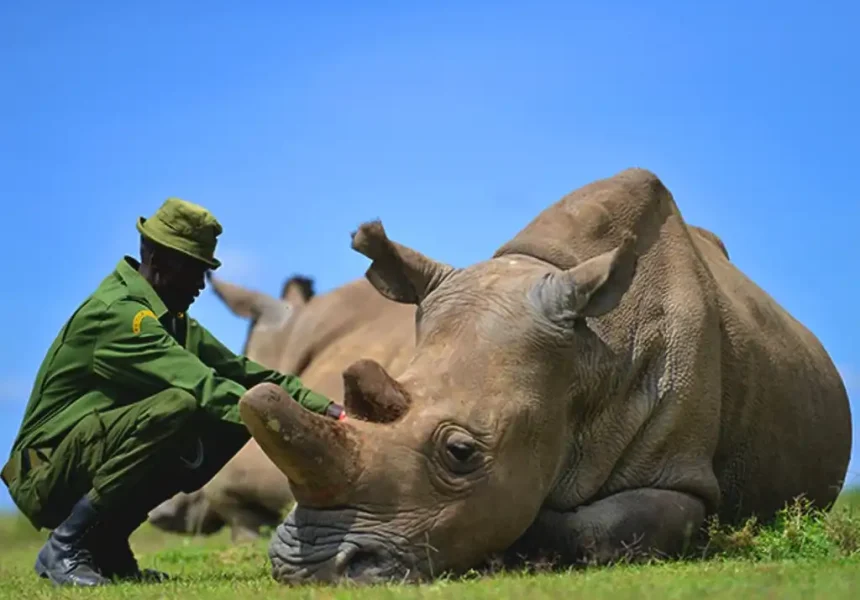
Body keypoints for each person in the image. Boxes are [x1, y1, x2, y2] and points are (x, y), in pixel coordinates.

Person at [0, 198, 346, 587]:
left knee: (235, 417)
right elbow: (203, 386)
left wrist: (330, 411)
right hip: (44, 474)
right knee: (181, 405)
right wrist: (297, 433)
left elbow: (246, 375)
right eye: (193, 269)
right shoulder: (119, 316)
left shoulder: (174, 321)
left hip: (82, 455)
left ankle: (108, 545)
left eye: (205, 271)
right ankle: (65, 546)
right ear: (158, 258)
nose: (200, 284)